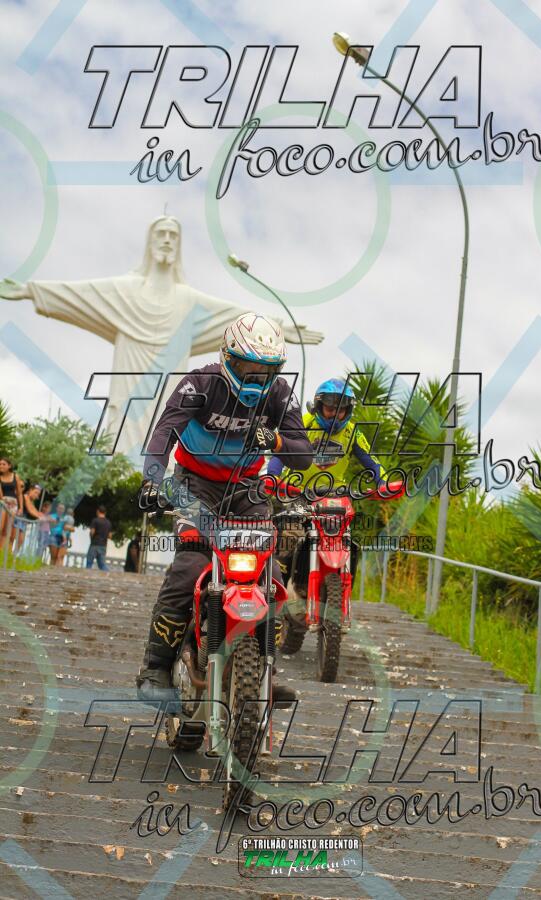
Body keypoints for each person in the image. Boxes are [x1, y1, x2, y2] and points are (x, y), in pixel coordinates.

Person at [0, 216, 323, 456]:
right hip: (129, 377)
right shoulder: (125, 290)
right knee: (123, 436)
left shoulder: (187, 301)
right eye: (161, 233)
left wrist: (278, 328)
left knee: (170, 425)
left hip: (170, 381)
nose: (167, 240)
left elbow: (234, 319)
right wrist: (31, 291)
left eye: (173, 235)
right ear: (150, 242)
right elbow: (80, 294)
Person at [136, 312, 313, 702]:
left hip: (246, 490)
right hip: (193, 485)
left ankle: (263, 671)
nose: (257, 379)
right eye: (248, 368)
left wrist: (276, 441)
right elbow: (164, 431)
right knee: (191, 565)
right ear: (227, 358)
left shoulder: (281, 394)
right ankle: (155, 665)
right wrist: (152, 480)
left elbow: (303, 456)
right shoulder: (199, 384)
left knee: (270, 574)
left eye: (266, 371)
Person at [267, 378, 387, 586]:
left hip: (336, 497)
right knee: (289, 537)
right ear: (318, 405)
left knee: (346, 539)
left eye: (340, 411)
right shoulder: (303, 424)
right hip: (299, 493)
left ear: (348, 411)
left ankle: (342, 581)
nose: (335, 415)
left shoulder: (352, 432)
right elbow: (281, 453)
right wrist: (273, 476)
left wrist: (383, 483)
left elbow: (372, 461)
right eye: (330, 409)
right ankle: (277, 591)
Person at [0, 457, 24, 552]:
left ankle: (2, 553)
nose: (1, 466)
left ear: (9, 466)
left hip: (13, 504)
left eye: (3, 464)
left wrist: (21, 508)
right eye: (0, 464)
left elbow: (19, 493)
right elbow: (1, 495)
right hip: (2, 503)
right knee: (0, 527)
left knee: (7, 531)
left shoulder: (15, 476)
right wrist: (4, 501)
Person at [87, 506, 112, 571]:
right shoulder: (108, 523)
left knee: (89, 563)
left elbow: (92, 532)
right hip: (103, 545)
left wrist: (91, 538)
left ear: (98, 511)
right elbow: (110, 536)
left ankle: (86, 575)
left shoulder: (95, 520)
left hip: (94, 544)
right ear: (105, 512)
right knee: (102, 565)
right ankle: (109, 573)